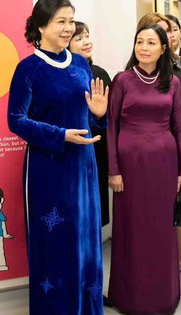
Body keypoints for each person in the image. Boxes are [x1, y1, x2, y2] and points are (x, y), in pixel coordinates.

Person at [7, 0, 107, 314]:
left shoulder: (80, 64)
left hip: (84, 167)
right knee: (57, 246)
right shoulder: (29, 69)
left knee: (87, 242)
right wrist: (59, 135)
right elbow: (16, 120)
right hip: (49, 168)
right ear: (40, 26)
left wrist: (99, 115)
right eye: (61, 21)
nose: (69, 28)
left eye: (71, 20)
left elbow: (87, 117)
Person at [106, 24, 181, 314]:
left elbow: (180, 127)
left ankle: (162, 296)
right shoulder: (122, 80)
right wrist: (113, 170)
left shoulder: (173, 82)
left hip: (164, 166)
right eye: (139, 42)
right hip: (129, 167)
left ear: (163, 48)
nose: (143, 47)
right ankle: (128, 296)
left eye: (151, 42)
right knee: (131, 228)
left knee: (159, 229)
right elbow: (111, 126)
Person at [137, 13, 181, 278]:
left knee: (179, 205)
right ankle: (155, 261)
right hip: (146, 153)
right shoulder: (133, 73)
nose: (166, 35)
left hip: (177, 145)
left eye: (167, 31)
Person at [68, 21, 111, 227]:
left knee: (93, 215)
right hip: (69, 147)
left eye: (87, 36)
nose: (86, 42)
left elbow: (109, 120)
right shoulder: (61, 74)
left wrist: (100, 116)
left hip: (96, 148)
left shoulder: (99, 74)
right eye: (79, 38)